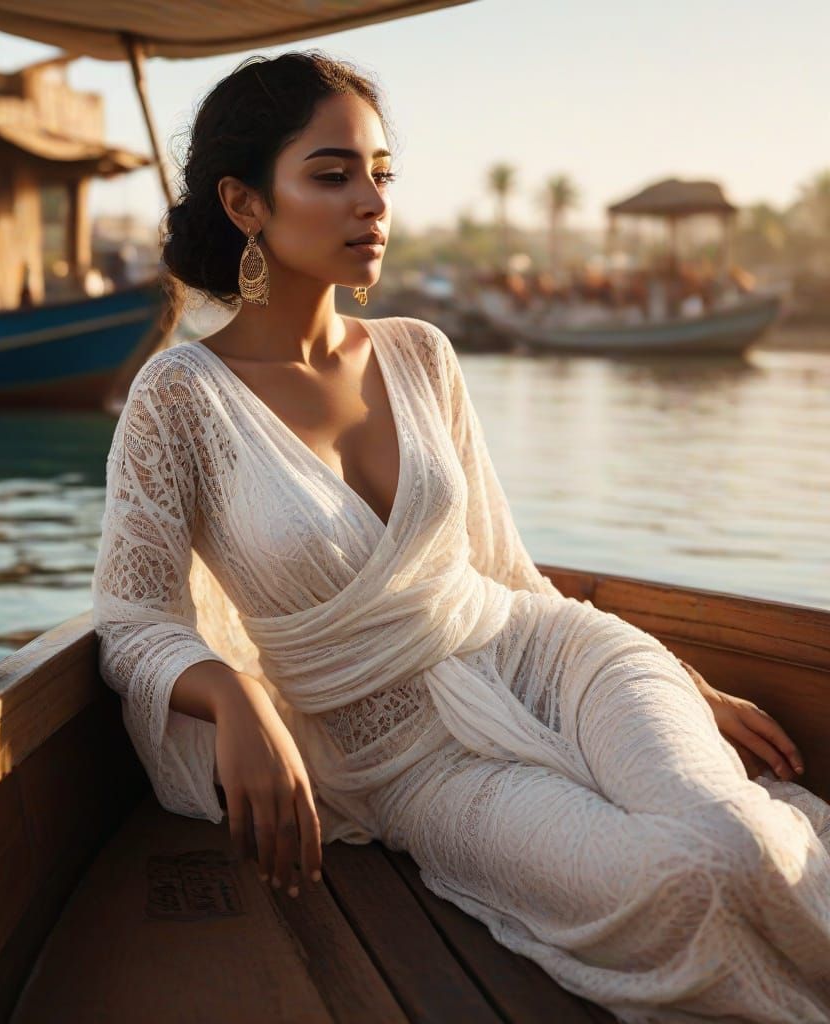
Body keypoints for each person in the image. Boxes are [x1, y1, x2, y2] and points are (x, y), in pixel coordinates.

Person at [91, 52, 830, 1023]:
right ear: (244, 203)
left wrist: (679, 674)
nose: (371, 203)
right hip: (414, 768)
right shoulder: (179, 397)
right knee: (695, 873)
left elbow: (504, 567)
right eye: (332, 174)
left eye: (381, 174)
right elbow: (133, 619)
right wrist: (229, 694)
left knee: (732, 832)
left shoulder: (421, 353)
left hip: (555, 657)